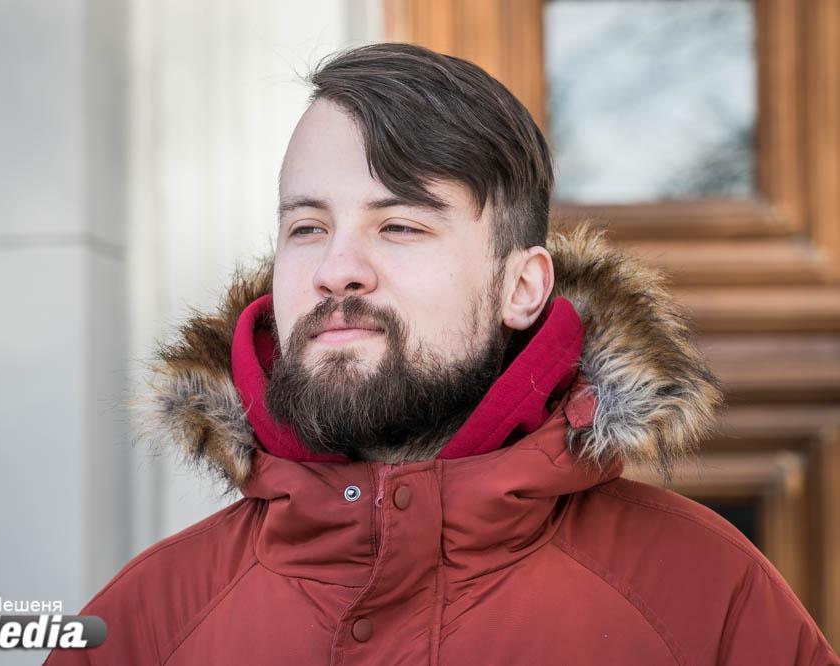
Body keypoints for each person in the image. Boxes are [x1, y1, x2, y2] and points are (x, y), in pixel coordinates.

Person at [45, 43, 838, 665]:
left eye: (399, 225)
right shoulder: (150, 620)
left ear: (521, 287)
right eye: (306, 227)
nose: (335, 268)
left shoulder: (703, 596)